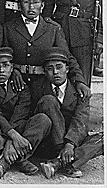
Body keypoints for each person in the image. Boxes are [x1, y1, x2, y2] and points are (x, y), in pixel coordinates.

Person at [0, 47, 51, 179]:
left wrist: (11, 140)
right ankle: (18, 159)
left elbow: (20, 115)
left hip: (14, 131)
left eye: (5, 65)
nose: (1, 70)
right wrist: (13, 137)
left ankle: (5, 161)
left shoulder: (20, 85)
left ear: (12, 67)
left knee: (43, 119)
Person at [3, 0, 90, 98]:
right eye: (26, 2)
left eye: (36, 2)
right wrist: (13, 71)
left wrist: (80, 81)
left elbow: (67, 57)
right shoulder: (8, 28)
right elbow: (3, 56)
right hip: (17, 83)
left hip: (44, 84)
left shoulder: (53, 28)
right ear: (19, 5)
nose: (31, 7)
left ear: (42, 5)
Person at [33, 48, 104, 179]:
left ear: (67, 69)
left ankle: (58, 163)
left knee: (103, 138)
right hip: (48, 143)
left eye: (59, 67)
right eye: (50, 68)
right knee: (49, 100)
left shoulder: (80, 91)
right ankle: (68, 162)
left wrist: (70, 144)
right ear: (44, 72)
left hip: (71, 141)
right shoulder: (37, 88)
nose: (55, 72)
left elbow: (80, 120)